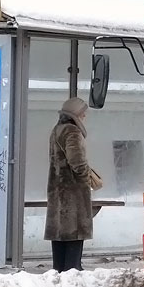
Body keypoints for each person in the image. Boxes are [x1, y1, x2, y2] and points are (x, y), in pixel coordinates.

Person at [45, 97, 94, 273]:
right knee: (74, 230)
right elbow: (77, 162)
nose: (84, 117)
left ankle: (59, 267)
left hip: (57, 188)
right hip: (73, 190)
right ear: (76, 115)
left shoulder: (56, 130)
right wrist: (87, 176)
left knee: (59, 230)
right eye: (83, 114)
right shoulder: (72, 132)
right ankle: (73, 267)